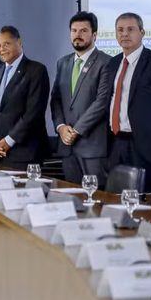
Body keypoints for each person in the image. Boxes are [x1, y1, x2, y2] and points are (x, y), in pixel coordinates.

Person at [106, 12, 151, 193]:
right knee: (116, 200)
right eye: (120, 30)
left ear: (142, 32)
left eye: (130, 29)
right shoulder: (113, 64)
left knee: (148, 201)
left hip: (147, 146)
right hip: (116, 143)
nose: (124, 34)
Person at [49, 12, 112, 184]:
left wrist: (76, 131)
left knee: (96, 196)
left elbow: (101, 102)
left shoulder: (106, 62)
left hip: (92, 147)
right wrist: (61, 128)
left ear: (94, 35)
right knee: (73, 196)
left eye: (83, 31)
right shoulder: (63, 63)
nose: (78, 35)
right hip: (66, 146)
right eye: (74, 30)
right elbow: (56, 99)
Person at [0, 26, 50, 170]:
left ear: (19, 42)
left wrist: (8, 141)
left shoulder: (36, 70)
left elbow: (33, 113)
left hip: (25, 154)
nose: (2, 49)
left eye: (6, 44)